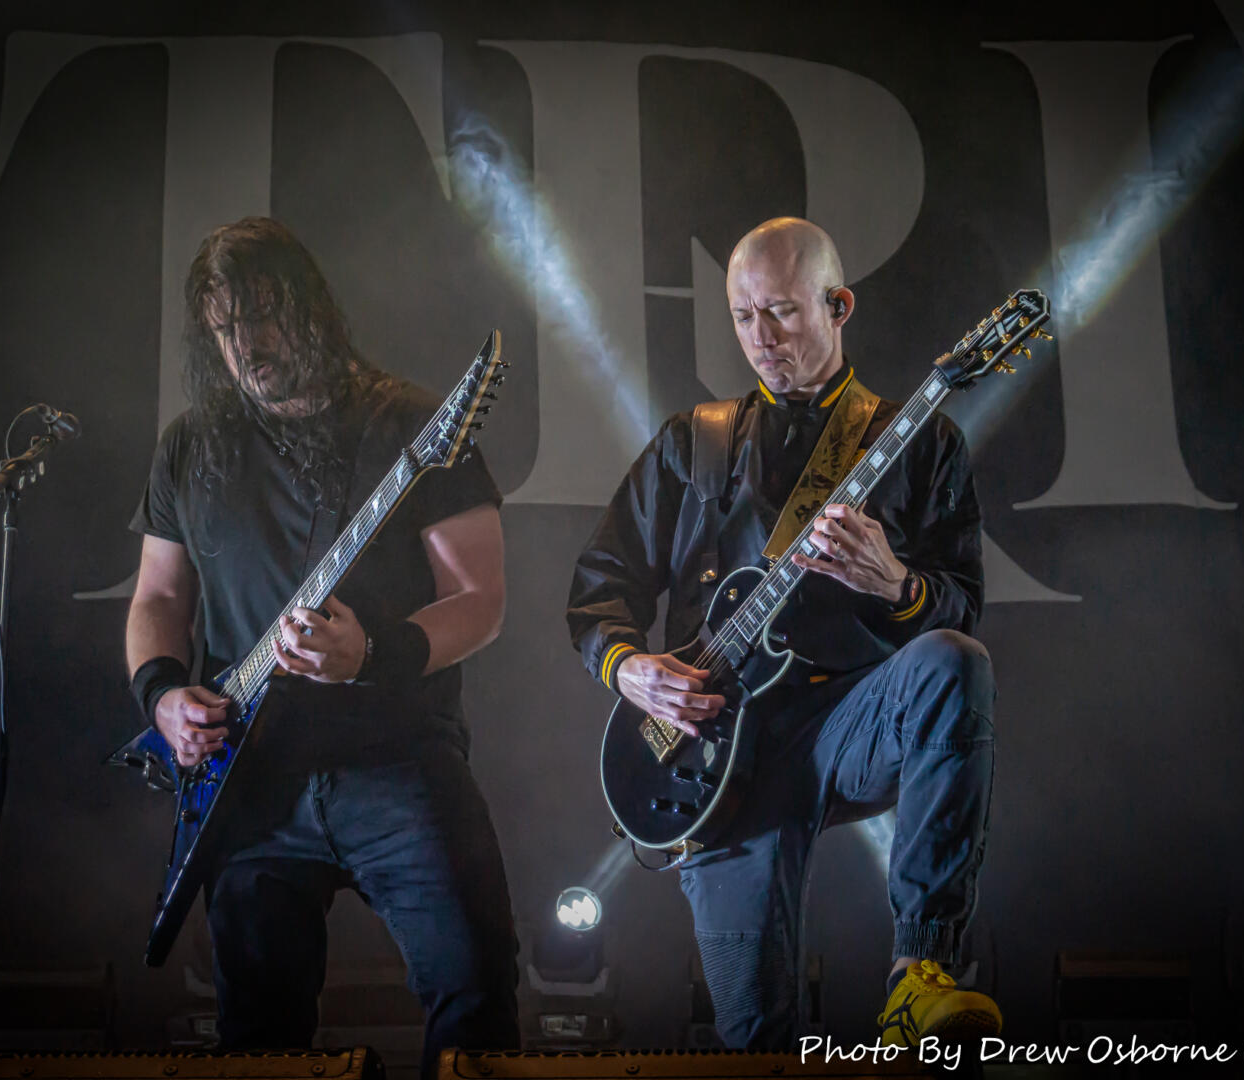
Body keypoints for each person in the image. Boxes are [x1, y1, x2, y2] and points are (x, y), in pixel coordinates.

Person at [568, 217, 1001, 1049]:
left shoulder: (919, 442)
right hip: (713, 757)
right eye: (743, 318)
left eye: (782, 313)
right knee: (754, 1040)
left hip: (848, 724)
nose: (761, 340)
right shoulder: (692, 445)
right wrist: (630, 669)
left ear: (838, 306)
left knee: (955, 661)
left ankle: (921, 974)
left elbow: (960, 605)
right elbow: (598, 589)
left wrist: (900, 587)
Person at [125, 217, 519, 1076]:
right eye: (226, 327)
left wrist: (372, 653)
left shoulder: (413, 424)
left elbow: (480, 601)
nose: (248, 345)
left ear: (310, 309)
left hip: (399, 767)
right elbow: (158, 596)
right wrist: (163, 695)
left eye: (263, 315)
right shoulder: (190, 448)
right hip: (251, 788)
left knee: (476, 1003)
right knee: (257, 1039)